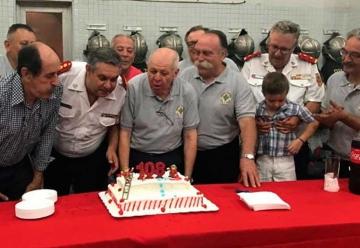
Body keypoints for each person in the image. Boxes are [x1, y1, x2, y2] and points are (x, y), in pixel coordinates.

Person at [241, 20, 325, 180]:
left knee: (294, 194)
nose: (278, 53)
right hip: (259, 144)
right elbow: (242, 101)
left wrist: (298, 119)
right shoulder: (252, 64)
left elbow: (315, 100)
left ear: (294, 48)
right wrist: (254, 123)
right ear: (268, 43)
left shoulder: (307, 65)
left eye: (284, 49)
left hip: (294, 144)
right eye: (274, 47)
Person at [180, 30, 259, 187]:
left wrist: (248, 157)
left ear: (223, 54)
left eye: (207, 53)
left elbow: (247, 122)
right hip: (185, 153)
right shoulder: (184, 77)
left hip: (222, 156)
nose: (199, 58)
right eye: (196, 52)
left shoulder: (237, 82)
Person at [44, 47, 126, 195]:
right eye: (102, 78)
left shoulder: (121, 90)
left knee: (91, 204)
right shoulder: (63, 77)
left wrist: (112, 147)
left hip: (92, 157)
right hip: (56, 154)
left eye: (113, 79)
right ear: (88, 69)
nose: (108, 85)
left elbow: (115, 123)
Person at [118, 48, 199, 178]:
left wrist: (188, 176)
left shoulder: (187, 91)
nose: (157, 78)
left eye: (164, 73)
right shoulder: (134, 87)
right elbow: (125, 132)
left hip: (171, 156)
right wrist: (125, 172)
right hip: (138, 155)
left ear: (176, 73)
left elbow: (190, 134)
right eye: (152, 71)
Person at [0, 42, 62, 200]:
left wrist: (38, 174)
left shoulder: (55, 92)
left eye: (57, 73)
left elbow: (48, 134)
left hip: (21, 165)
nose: (56, 82)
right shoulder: (2, 95)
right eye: (49, 76)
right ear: (26, 74)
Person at [314, 28, 360, 177]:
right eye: (345, 52)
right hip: (335, 160)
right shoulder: (334, 79)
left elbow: (341, 116)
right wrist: (326, 118)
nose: (346, 59)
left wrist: (343, 117)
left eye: (355, 56)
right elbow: (327, 118)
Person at [256, 72, 319, 182]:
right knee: (261, 191)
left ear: (286, 93)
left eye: (280, 100)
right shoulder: (257, 108)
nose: (276, 104)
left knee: (288, 191)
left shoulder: (295, 108)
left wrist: (300, 140)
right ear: (263, 93)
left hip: (286, 160)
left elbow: (314, 123)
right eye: (271, 100)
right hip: (263, 159)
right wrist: (255, 125)